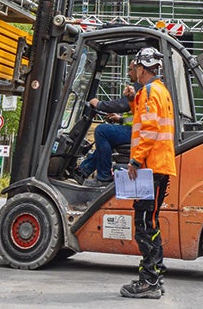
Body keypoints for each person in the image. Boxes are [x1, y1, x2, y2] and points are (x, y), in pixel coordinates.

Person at [121, 46, 176, 300]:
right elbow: (145, 120)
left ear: (142, 68)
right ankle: (154, 275)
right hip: (157, 166)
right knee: (150, 221)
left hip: (151, 167)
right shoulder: (157, 91)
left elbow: (150, 130)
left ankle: (149, 282)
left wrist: (135, 159)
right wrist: (133, 99)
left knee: (144, 224)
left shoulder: (151, 91)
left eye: (135, 68)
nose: (134, 72)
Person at [77, 78, 137, 183]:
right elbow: (135, 114)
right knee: (106, 141)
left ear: (140, 69)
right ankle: (82, 171)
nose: (129, 72)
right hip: (134, 129)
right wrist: (120, 119)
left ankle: (104, 177)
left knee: (102, 131)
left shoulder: (140, 86)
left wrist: (99, 104)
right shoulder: (142, 86)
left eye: (131, 69)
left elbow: (122, 104)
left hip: (137, 132)